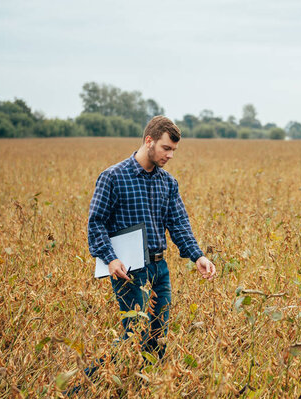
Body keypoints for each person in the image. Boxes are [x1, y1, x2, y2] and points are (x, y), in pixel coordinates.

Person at [88, 115, 216, 362]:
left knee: (158, 336)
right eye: (166, 148)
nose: (170, 155)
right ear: (149, 141)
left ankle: (148, 384)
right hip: (129, 270)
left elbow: (178, 224)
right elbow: (96, 223)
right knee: (133, 334)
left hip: (160, 268)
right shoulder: (113, 177)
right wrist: (110, 259)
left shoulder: (167, 182)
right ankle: (83, 386)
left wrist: (197, 256)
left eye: (174, 150)